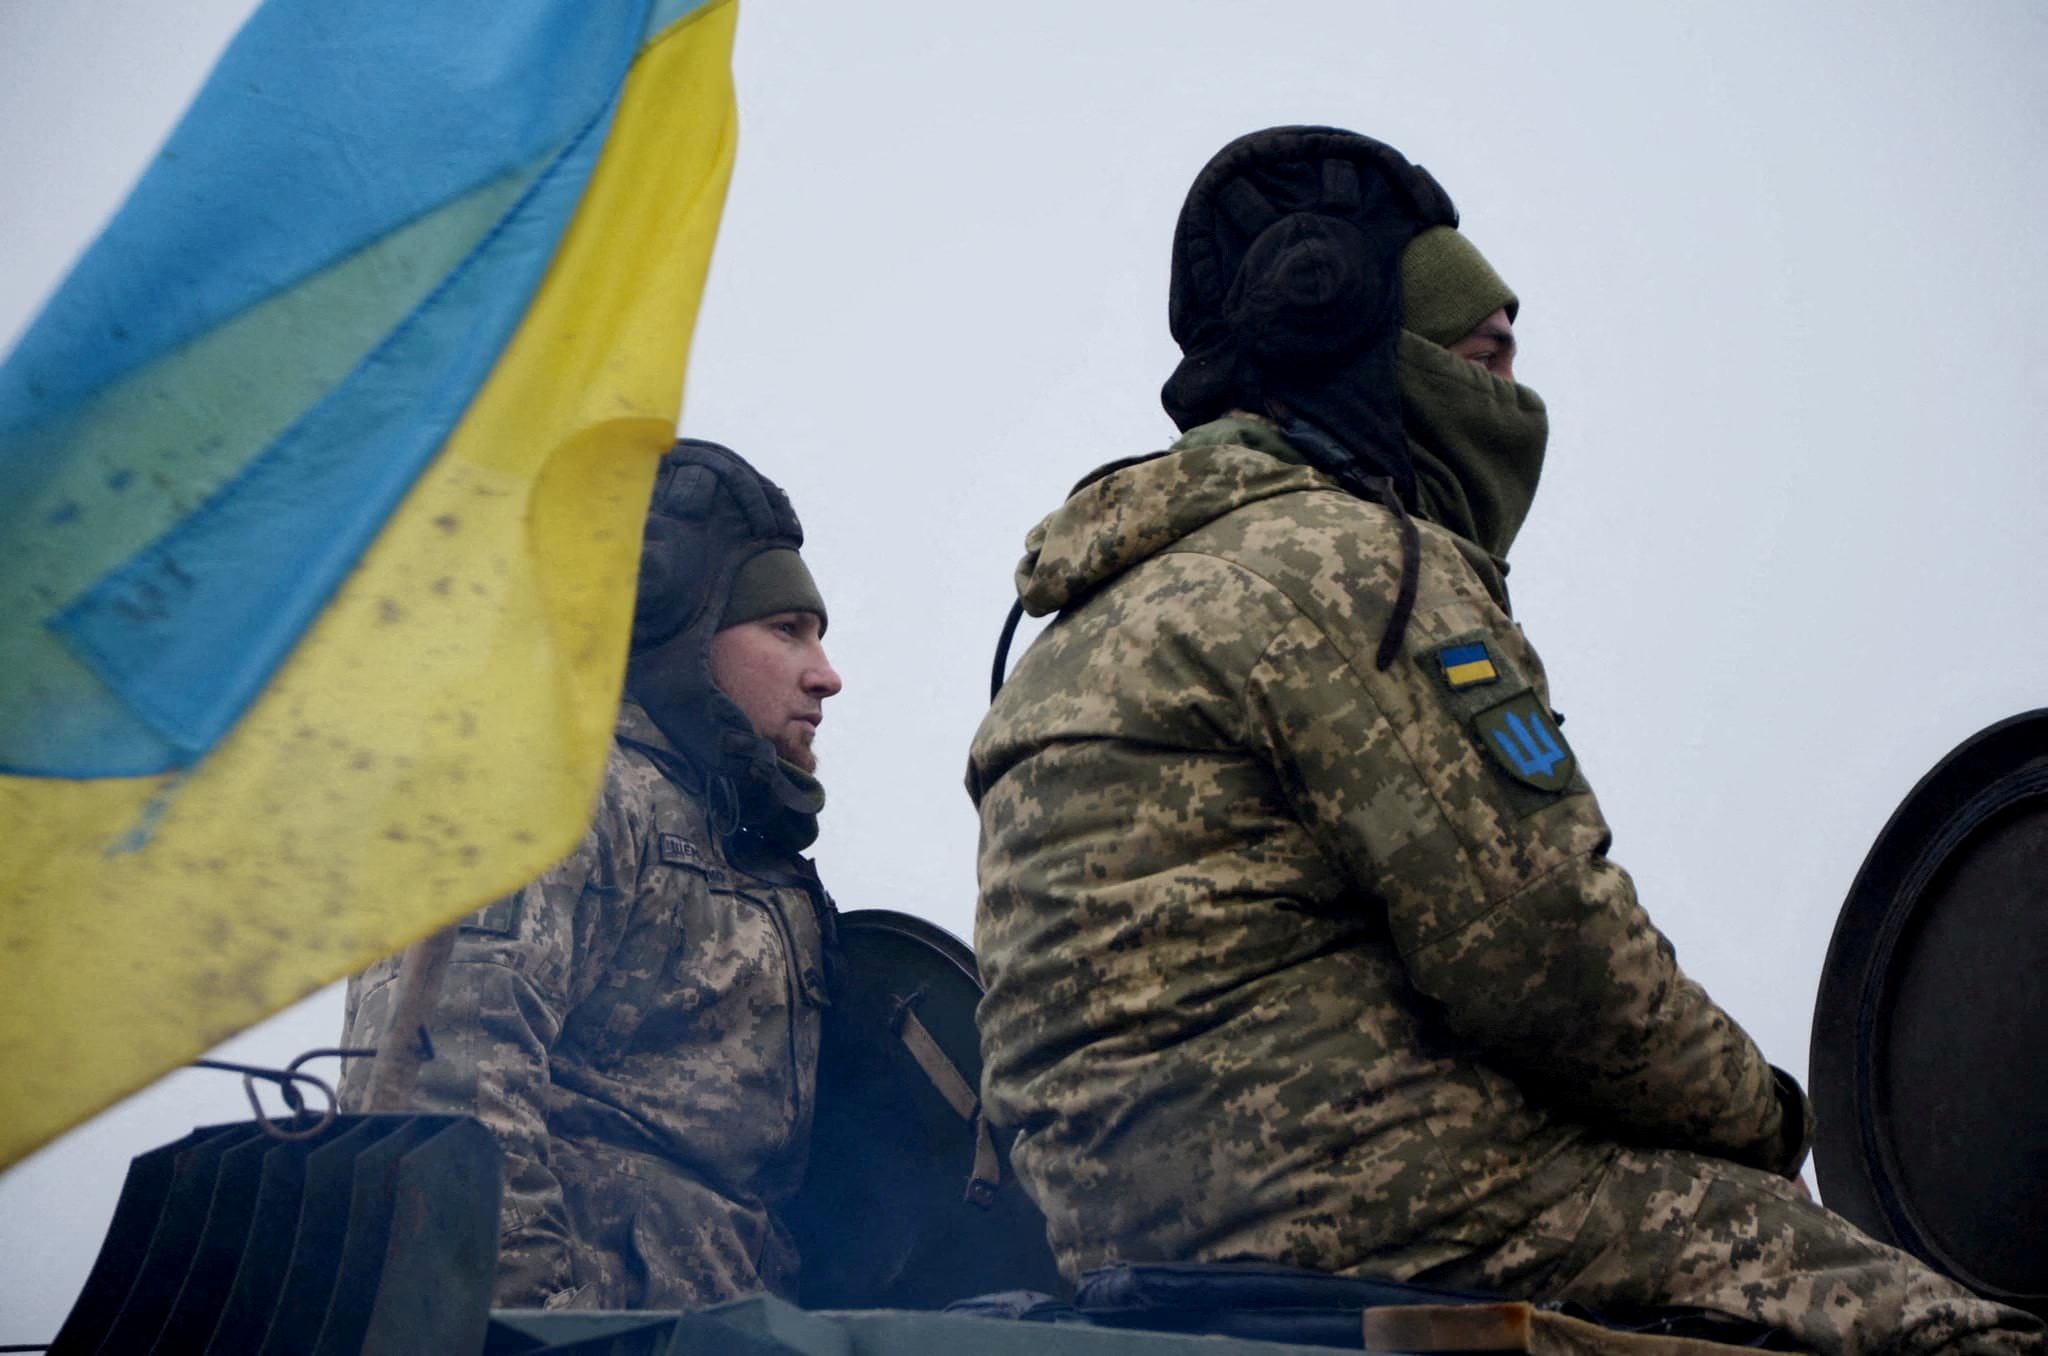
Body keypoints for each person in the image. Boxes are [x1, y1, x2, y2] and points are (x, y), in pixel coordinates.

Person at [966, 127, 2043, 1356]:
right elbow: (1543, 953)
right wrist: (1766, 1123)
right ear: (1360, 354)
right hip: (1357, 1201)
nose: (1516, 402)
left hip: (1125, 1235)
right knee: (1913, 1317)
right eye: (1484, 358)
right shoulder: (1346, 565)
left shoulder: (1083, 620)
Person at [341, 439, 844, 1311]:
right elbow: (444, 1086)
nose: (825, 676)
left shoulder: (746, 858)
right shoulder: (554, 793)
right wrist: (536, 1332)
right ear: (685, 632)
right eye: (786, 630)